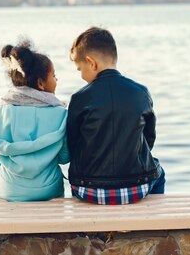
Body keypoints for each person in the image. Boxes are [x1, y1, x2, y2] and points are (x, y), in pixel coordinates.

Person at [66, 27, 164, 205]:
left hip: (87, 189)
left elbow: (73, 144)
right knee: (159, 172)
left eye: (80, 69)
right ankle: (156, 216)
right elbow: (149, 138)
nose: (81, 75)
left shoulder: (80, 98)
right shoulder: (141, 92)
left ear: (91, 63)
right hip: (137, 188)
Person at [0, 39, 69, 201]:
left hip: (9, 190)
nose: (57, 80)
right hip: (48, 191)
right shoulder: (61, 115)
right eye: (54, 76)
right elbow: (65, 157)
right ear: (41, 83)